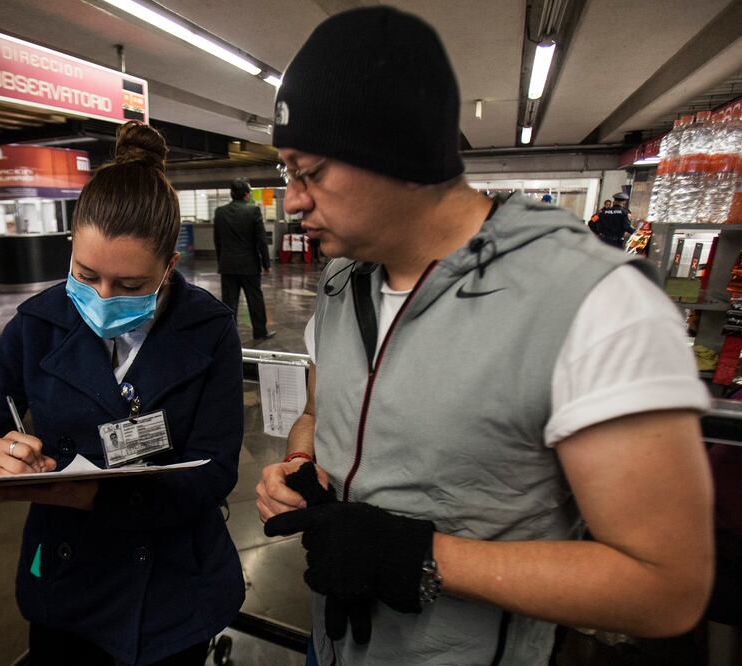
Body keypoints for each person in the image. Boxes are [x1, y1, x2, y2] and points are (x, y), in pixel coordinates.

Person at [256, 8, 713, 665]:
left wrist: (416, 557)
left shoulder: (591, 303)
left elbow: (664, 586)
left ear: (397, 151)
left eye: (309, 171)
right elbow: (315, 413)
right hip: (334, 643)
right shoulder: (341, 284)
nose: (293, 200)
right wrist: (301, 468)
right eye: (286, 174)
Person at [0, 122, 244, 666]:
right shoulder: (38, 323)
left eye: (129, 286)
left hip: (172, 586)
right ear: (70, 251)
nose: (102, 298)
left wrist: (99, 496)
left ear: (170, 265)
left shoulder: (210, 329)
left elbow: (217, 469)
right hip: (67, 581)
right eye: (85, 275)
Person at [213, 178, 275, 341]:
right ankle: (260, 332)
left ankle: (229, 336)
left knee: (229, 303)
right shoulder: (253, 211)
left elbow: (217, 240)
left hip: (228, 265)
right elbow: (261, 240)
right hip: (249, 266)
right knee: (255, 300)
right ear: (247, 195)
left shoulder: (220, 212)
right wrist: (266, 264)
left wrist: (221, 261)